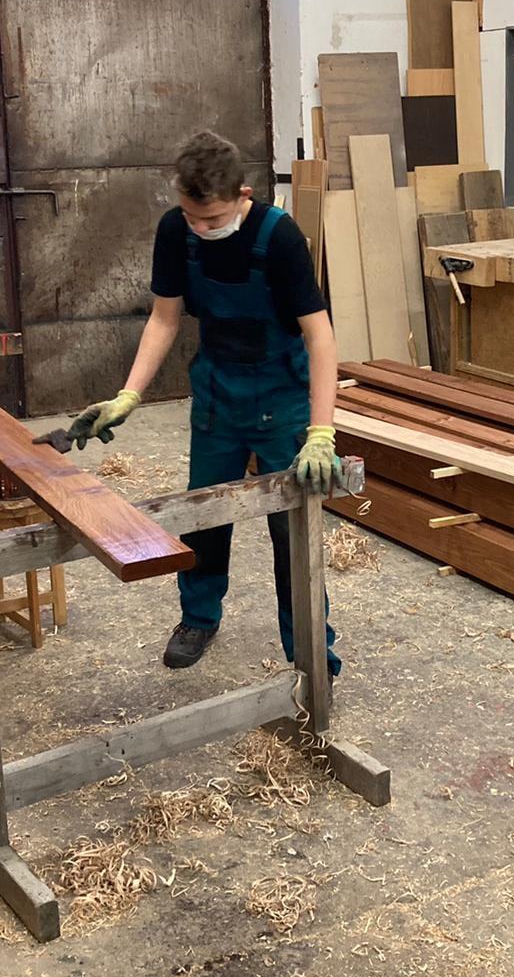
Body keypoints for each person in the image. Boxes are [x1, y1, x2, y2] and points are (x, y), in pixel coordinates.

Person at [36, 130, 343, 677]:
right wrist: (129, 395)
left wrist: (322, 432)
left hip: (281, 399)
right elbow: (164, 318)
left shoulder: (279, 237)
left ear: (242, 194)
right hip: (217, 396)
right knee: (202, 515)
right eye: (191, 216)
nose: (201, 227)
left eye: (212, 218)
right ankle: (198, 617)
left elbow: (319, 336)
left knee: (292, 530)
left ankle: (310, 651)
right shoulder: (175, 231)